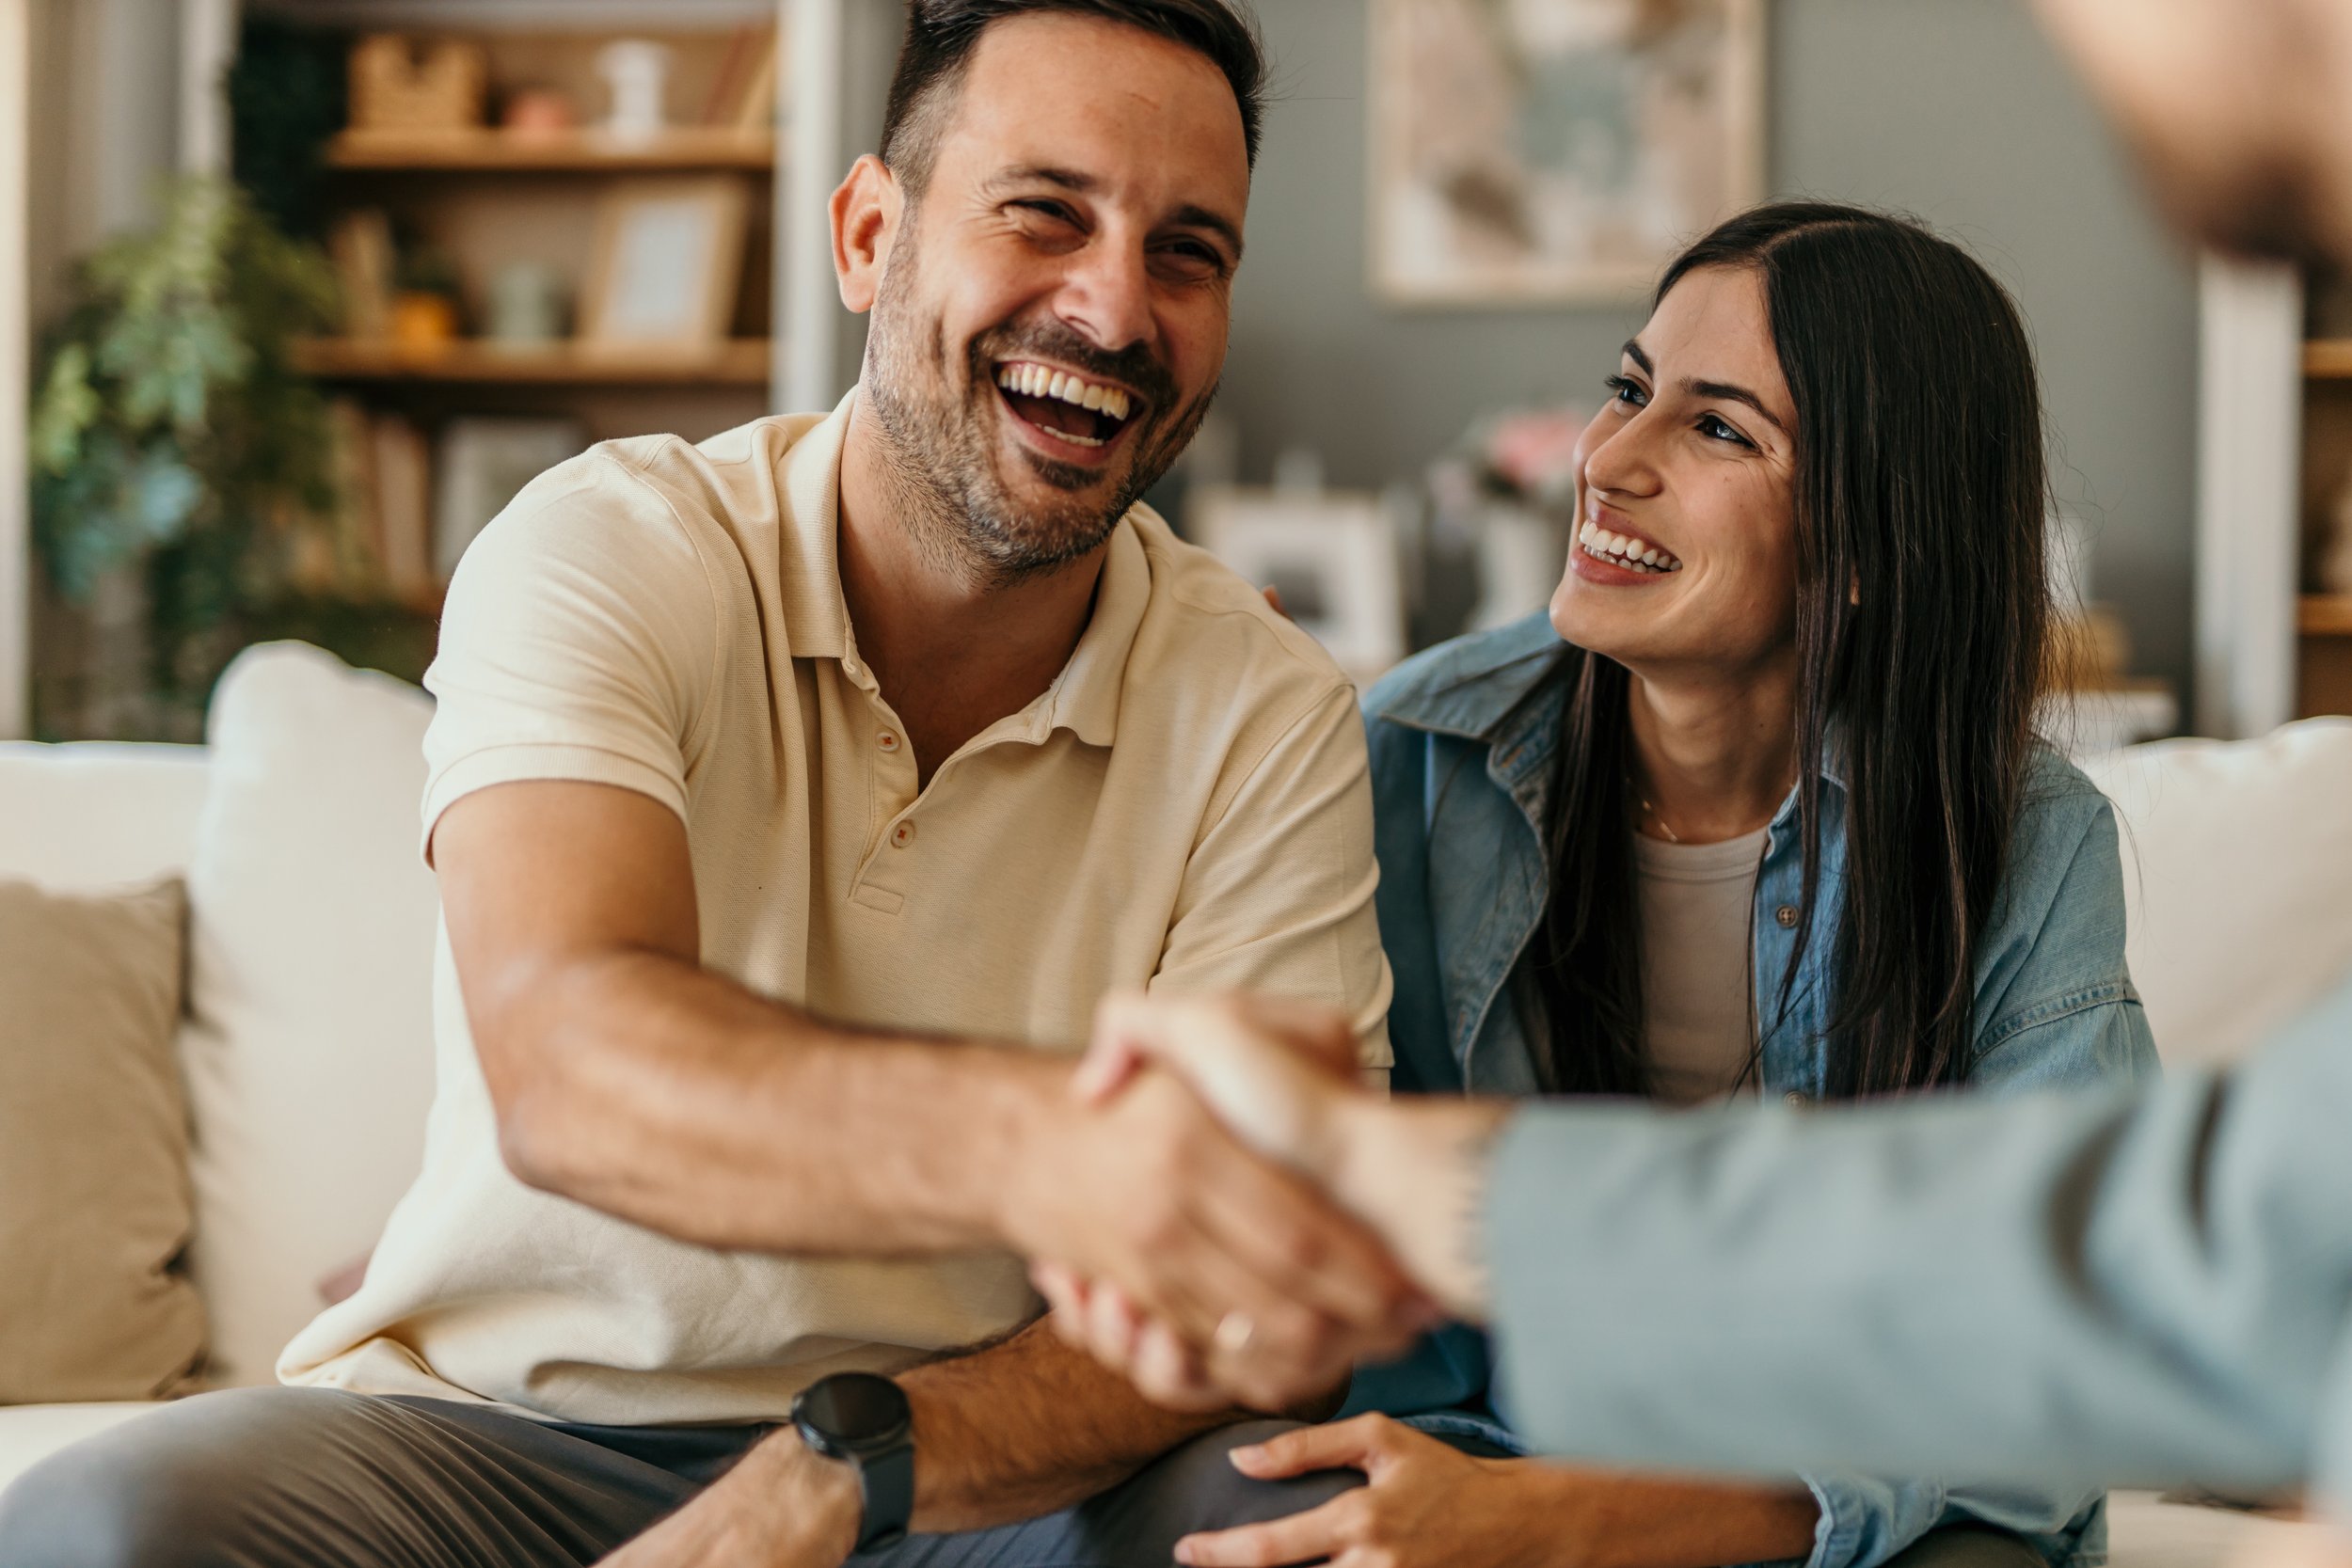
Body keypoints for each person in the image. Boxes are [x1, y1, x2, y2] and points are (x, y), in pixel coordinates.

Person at [0, 3, 1435, 1566]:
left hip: (969, 1469)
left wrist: (842, 1467)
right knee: (105, 1522)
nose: (1114, 306)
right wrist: (1075, 1152)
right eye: (1044, 213)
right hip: (495, 1441)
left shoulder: (1268, 711)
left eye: (1188, 252)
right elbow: (572, 1058)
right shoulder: (608, 549)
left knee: (1303, 1526)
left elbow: (1242, 1299)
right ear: (870, 236)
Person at [1036, 0, 2352, 1537]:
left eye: (1718, 429)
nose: (1612, 456)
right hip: (1483, 1436)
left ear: (1864, 545)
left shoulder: (2016, 838)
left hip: (1840, 1495)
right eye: (1627, 384)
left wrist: (1609, 1524)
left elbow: (2052, 1391)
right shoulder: (1408, 756)